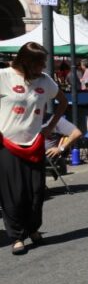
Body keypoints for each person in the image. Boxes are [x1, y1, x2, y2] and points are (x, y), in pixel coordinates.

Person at [0, 42, 68, 254]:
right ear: (26, 61)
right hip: (7, 143)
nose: (43, 67)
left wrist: (50, 127)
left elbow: (63, 102)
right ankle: (17, 237)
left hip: (34, 142)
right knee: (14, 193)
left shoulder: (45, 80)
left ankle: (33, 229)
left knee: (36, 191)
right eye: (39, 63)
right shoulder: (3, 76)